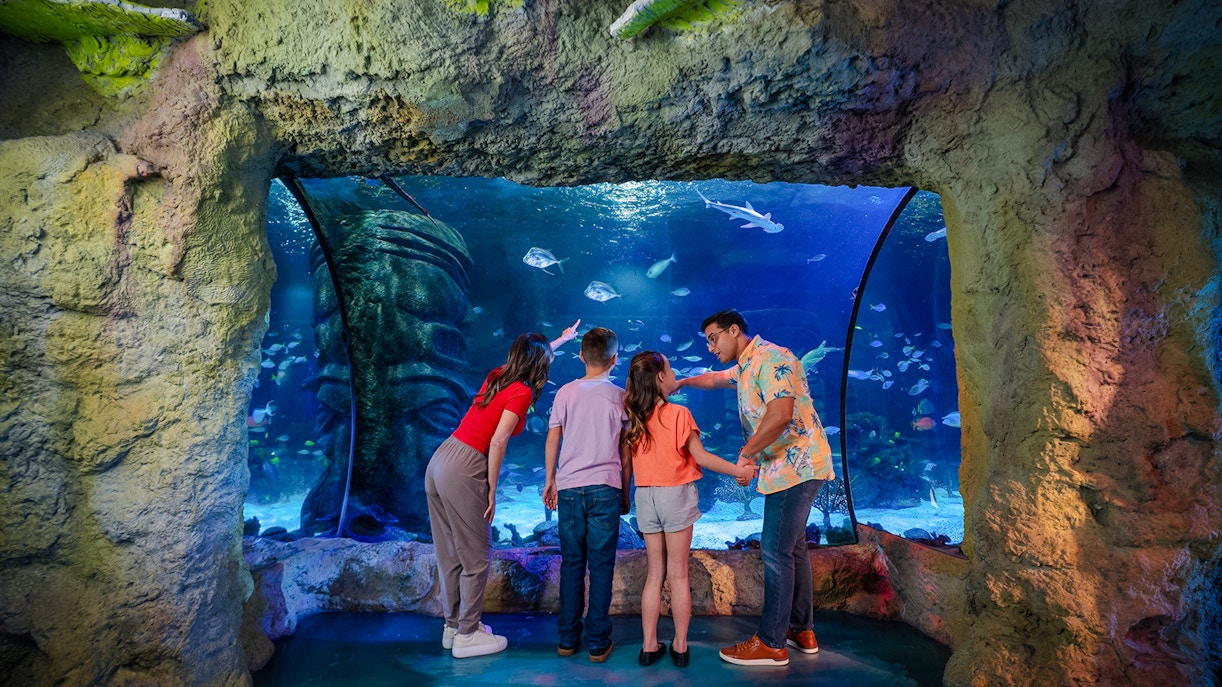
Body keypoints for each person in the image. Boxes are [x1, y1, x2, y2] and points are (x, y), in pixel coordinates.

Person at [676, 309, 834, 667]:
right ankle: (801, 630)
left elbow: (779, 416)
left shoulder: (772, 358)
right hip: (787, 468)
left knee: (775, 553)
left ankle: (771, 642)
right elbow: (716, 379)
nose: (711, 347)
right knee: (793, 551)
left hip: (796, 467)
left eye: (714, 339)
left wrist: (745, 454)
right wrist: (682, 384)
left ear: (735, 331)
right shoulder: (747, 364)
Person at [425, 321, 579, 659]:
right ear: (540, 365)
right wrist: (492, 488)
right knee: (478, 556)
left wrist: (562, 340)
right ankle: (467, 634)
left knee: (450, 552)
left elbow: (534, 355)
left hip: (441, 458)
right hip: (465, 464)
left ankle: (453, 627)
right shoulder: (522, 392)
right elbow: (497, 440)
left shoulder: (498, 376)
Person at [624, 351, 758, 668]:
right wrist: (738, 471)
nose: (674, 374)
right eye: (670, 369)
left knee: (654, 575)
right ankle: (681, 647)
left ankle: (648, 646)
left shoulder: (633, 417)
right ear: (659, 378)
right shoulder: (680, 414)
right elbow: (700, 457)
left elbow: (626, 462)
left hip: (645, 496)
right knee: (678, 574)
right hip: (675, 496)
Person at [541, 326, 629, 663]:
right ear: (615, 359)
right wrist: (625, 489)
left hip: (570, 487)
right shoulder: (620, 396)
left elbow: (553, 439)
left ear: (580, 357)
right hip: (606, 486)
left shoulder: (564, 393)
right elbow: (625, 450)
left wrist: (551, 479)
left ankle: (567, 639)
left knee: (572, 564)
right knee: (602, 564)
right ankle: (597, 642)